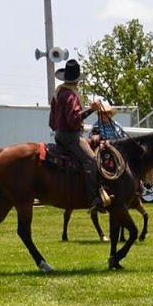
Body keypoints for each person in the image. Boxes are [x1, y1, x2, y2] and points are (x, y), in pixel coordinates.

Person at [50, 59, 110, 210]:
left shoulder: (58, 94)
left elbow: (52, 122)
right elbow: (73, 119)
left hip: (59, 136)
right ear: (76, 81)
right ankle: (93, 198)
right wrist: (92, 109)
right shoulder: (71, 96)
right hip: (71, 138)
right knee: (92, 161)